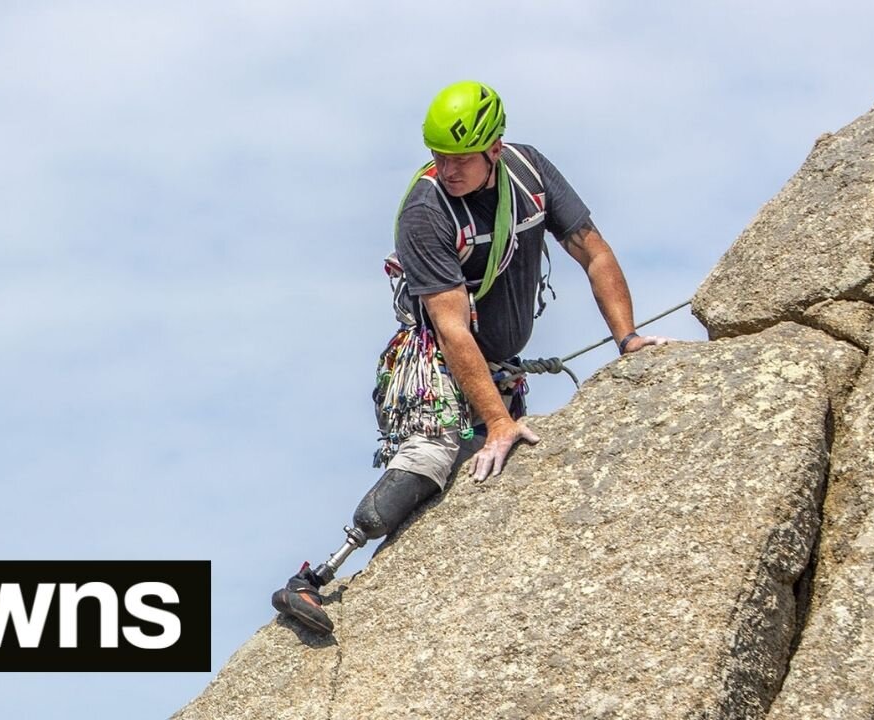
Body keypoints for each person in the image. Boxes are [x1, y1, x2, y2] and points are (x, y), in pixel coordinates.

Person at [271, 80, 667, 635]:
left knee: (489, 466)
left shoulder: (529, 174)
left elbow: (593, 251)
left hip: (498, 363)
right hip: (433, 358)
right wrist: (500, 421)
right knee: (432, 457)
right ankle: (312, 579)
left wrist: (628, 340)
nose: (447, 169)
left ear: (495, 150)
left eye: (460, 159)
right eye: (438, 157)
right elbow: (453, 328)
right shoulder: (426, 211)